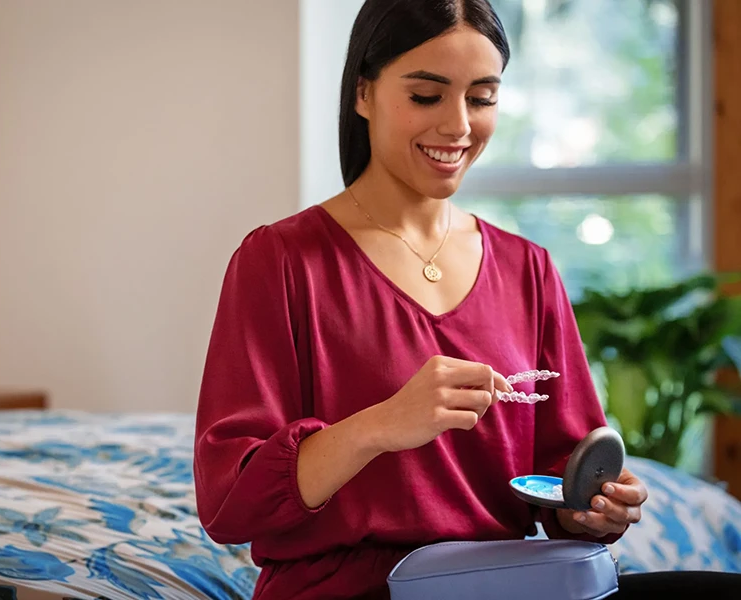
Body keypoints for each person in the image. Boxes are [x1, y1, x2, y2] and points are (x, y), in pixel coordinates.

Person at [193, 1, 735, 598]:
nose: (458, 126)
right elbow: (229, 506)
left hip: (512, 583)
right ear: (363, 93)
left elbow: (559, 476)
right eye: (427, 96)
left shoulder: (528, 268)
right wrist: (378, 426)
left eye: (481, 98)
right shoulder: (280, 262)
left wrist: (588, 510)